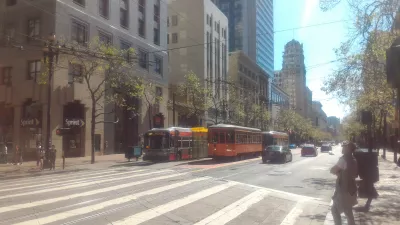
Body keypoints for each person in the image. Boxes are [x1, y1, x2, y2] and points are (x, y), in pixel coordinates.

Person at [330, 141, 358, 225]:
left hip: (343, 191)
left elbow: (333, 170)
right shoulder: (354, 159)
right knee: (348, 211)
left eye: (344, 147)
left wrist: (339, 173)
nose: (342, 148)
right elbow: (353, 174)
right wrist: (341, 173)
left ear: (348, 149)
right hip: (352, 189)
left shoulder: (343, 159)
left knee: (335, 210)